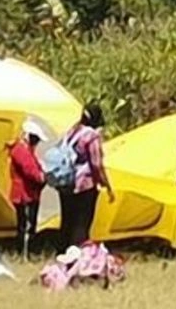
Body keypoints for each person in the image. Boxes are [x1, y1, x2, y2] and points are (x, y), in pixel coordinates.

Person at [61, 104, 113, 250]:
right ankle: (78, 252)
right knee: (82, 222)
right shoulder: (91, 135)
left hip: (66, 182)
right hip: (84, 183)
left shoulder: (72, 131)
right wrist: (106, 184)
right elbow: (96, 164)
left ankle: (63, 250)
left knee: (68, 220)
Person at [7, 129, 46, 258]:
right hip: (25, 194)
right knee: (26, 226)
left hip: (28, 193)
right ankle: (25, 254)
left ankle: (25, 253)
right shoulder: (21, 150)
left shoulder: (26, 149)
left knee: (26, 224)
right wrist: (42, 177)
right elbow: (30, 170)